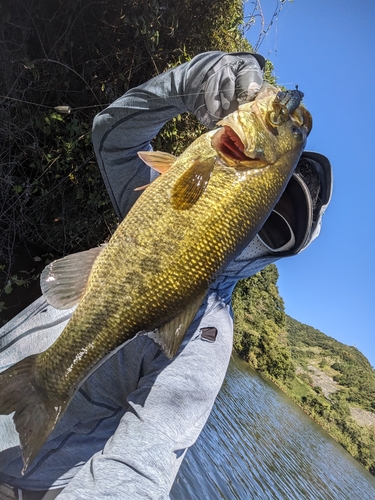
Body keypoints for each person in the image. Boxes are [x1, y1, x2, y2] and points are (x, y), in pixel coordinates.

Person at [0, 51, 332, 500]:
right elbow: (113, 134)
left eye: (276, 223)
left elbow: (140, 469)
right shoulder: (161, 199)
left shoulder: (205, 342)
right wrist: (188, 82)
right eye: (273, 196)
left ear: (278, 253)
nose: (263, 214)